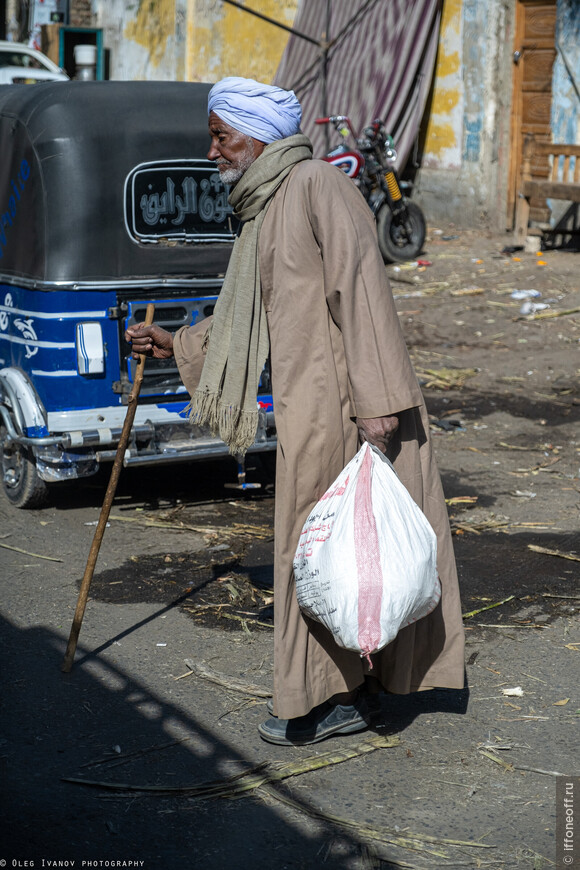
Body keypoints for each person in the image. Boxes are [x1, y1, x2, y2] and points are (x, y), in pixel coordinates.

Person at [126, 76, 465, 746]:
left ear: (257, 136)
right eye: (213, 135)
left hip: (351, 409)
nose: (213, 149)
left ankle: (345, 695)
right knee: (324, 557)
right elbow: (248, 315)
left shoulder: (317, 186)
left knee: (342, 554)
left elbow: (361, 290)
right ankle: (340, 692)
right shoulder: (267, 204)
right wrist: (175, 343)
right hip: (310, 409)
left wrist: (376, 404)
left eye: (222, 135)